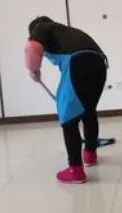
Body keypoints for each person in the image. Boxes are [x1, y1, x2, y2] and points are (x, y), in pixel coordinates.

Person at [24, 17, 108, 184]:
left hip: (78, 62)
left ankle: (75, 171)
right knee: (88, 110)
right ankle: (90, 154)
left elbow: (31, 49)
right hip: (100, 63)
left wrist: (33, 70)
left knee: (68, 117)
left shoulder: (40, 28)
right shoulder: (65, 32)